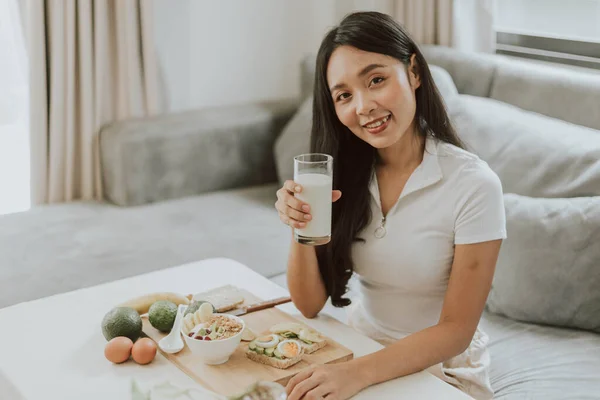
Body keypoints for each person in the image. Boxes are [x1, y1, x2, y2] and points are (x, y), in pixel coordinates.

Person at [274, 11, 506, 400]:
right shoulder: (344, 176)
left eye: (376, 80)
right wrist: (300, 226)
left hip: (442, 369)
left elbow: (456, 331)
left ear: (413, 72)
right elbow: (310, 304)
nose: (363, 106)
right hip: (360, 345)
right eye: (344, 95)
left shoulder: (474, 185)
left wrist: (354, 374)